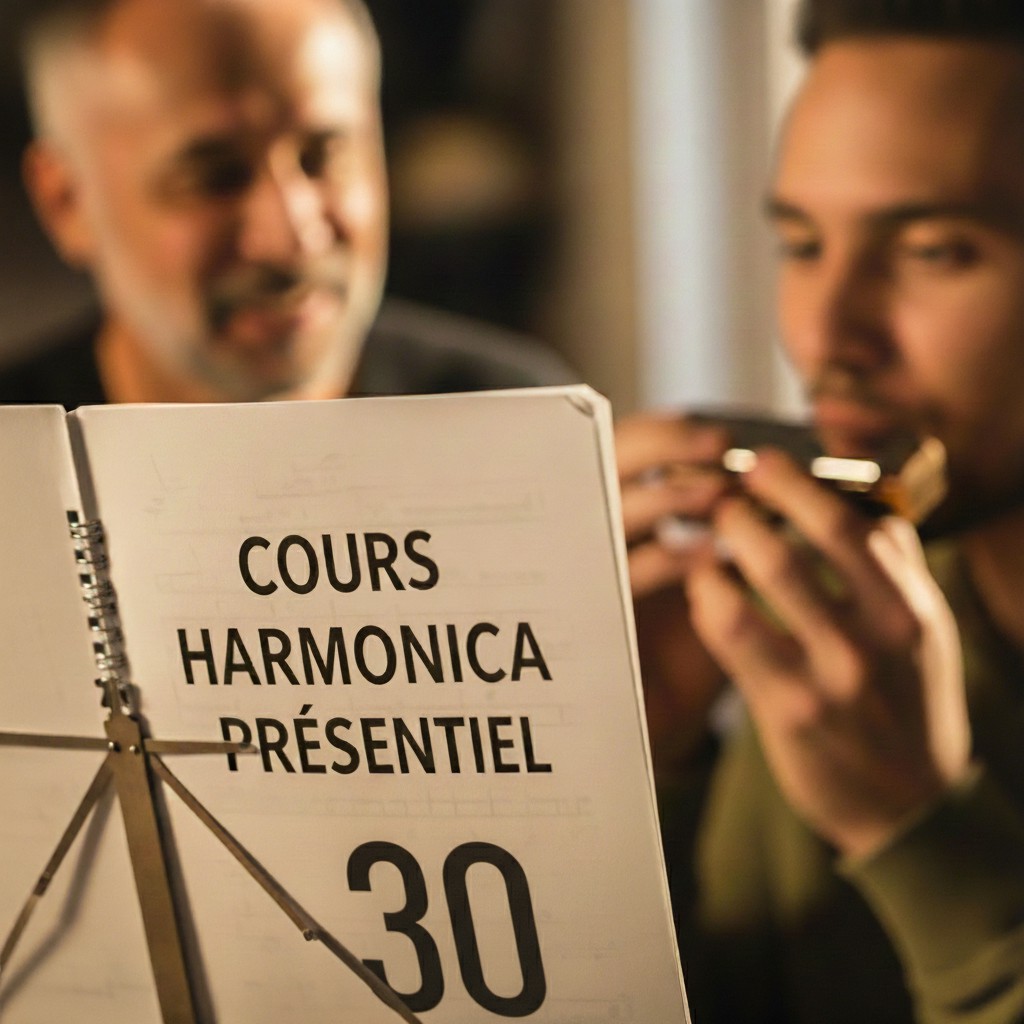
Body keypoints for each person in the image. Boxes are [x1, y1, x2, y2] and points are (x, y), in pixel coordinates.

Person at [619, 2, 1024, 1022]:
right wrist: (641, 776)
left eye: (933, 251)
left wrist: (919, 833)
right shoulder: (838, 629)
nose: (824, 336)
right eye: (800, 245)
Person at [0, 0, 574, 409]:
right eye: (215, 177)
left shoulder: (520, 422)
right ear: (66, 202)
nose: (293, 231)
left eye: (324, 156)